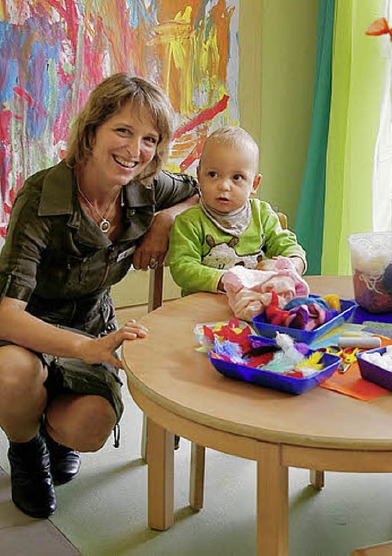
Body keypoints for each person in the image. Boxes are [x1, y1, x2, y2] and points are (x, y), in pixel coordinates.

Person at [0, 73, 199, 519]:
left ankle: (51, 429)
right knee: (11, 371)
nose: (135, 150)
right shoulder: (41, 194)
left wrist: (166, 220)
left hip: (92, 325)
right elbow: (6, 316)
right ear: (91, 132)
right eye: (123, 131)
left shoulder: (147, 188)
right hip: (26, 332)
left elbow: (206, 189)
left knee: (89, 430)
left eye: (149, 139)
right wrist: (84, 348)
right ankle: (26, 449)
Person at [169, 125, 307, 295]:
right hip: (204, 307)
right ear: (199, 176)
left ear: (254, 184)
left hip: (255, 302)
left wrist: (291, 264)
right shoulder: (188, 222)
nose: (224, 186)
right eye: (213, 174)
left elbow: (288, 246)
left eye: (237, 178)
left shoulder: (262, 214)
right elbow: (183, 269)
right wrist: (225, 280)